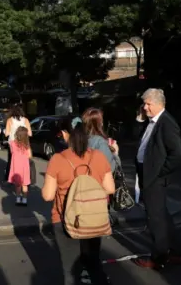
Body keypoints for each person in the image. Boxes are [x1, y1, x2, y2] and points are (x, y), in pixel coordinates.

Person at [42, 117, 115, 285]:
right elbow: (110, 188)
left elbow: (47, 196)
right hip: (93, 218)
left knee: (70, 270)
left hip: (65, 219)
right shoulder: (98, 156)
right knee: (94, 264)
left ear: (65, 134)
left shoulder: (58, 159)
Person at [133, 88, 181, 270]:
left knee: (155, 219)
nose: (145, 107)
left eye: (148, 104)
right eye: (144, 103)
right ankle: (177, 252)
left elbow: (177, 154)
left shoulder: (166, 123)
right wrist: (140, 119)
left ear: (159, 104)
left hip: (154, 179)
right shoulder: (151, 122)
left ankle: (159, 257)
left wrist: (160, 172)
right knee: (162, 216)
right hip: (147, 175)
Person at [4, 104, 32, 180]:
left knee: (11, 160)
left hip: (13, 142)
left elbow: (6, 133)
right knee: (24, 160)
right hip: (24, 142)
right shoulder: (25, 120)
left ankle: (10, 177)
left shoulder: (10, 120)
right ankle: (25, 177)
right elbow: (30, 133)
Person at [8, 126, 33, 205]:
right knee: (25, 184)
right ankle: (24, 200)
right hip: (24, 167)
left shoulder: (12, 143)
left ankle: (18, 199)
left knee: (18, 185)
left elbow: (12, 152)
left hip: (16, 167)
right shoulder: (26, 145)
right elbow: (30, 156)